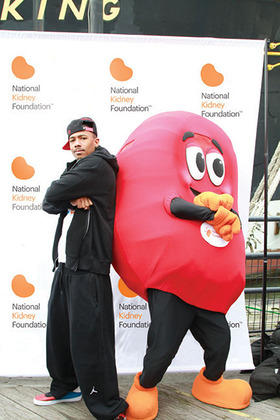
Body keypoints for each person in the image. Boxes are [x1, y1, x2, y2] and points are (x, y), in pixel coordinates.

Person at [33, 117, 128, 420]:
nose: (76, 144)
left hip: (89, 265)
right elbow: (50, 204)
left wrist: (64, 195)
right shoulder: (76, 168)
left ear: (95, 141)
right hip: (66, 264)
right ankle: (66, 386)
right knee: (60, 333)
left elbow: (50, 194)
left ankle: (108, 406)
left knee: (92, 340)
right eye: (72, 140)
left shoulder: (97, 165)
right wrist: (71, 199)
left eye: (82, 139)